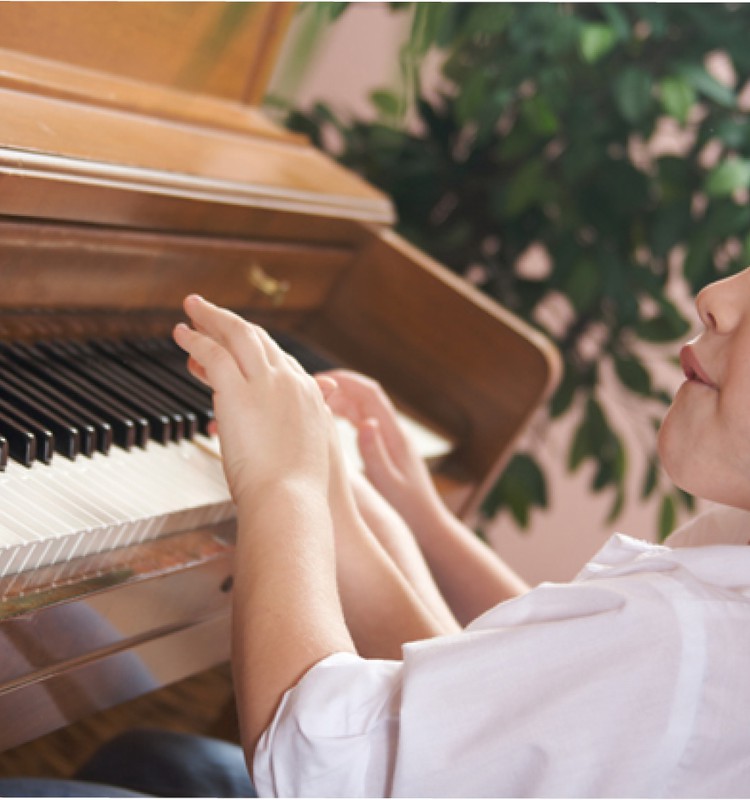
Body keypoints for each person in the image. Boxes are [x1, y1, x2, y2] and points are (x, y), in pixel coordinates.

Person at [3, 266, 750, 797]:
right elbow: (493, 695)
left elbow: (312, 761)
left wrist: (285, 484)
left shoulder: (698, 637)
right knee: (153, 759)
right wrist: (355, 502)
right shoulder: (724, 566)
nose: (717, 296)